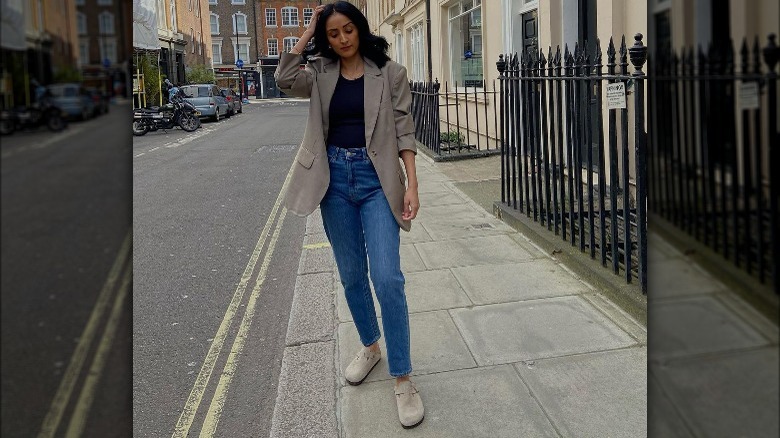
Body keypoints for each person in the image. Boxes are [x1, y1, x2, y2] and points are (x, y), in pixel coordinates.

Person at [275, 1, 424, 429]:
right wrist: (309, 29)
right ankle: (371, 346)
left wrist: (412, 183)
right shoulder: (319, 72)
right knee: (352, 275)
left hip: (378, 180)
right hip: (333, 180)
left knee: (387, 277)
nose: (342, 40)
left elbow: (404, 129)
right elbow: (284, 78)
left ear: (360, 28)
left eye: (348, 30)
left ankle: (403, 377)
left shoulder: (389, 73)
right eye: (333, 33)